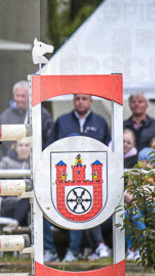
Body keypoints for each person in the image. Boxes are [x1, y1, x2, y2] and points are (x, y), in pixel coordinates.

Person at [44, 94, 112, 262]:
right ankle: (51, 251)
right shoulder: (61, 121)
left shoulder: (101, 122)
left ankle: (74, 252)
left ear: (91, 101)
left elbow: (108, 150)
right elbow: (49, 148)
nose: (80, 102)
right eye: (77, 98)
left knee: (80, 210)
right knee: (43, 205)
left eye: (84, 98)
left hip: (93, 178)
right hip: (64, 175)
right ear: (73, 100)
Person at [0, 80, 53, 158]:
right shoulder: (4, 117)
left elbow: (50, 139)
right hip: (11, 165)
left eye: (23, 96)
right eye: (17, 95)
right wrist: (3, 161)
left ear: (30, 96)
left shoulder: (41, 115)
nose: (20, 99)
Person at [0, 138, 33, 234]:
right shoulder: (7, 161)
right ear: (15, 148)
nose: (23, 149)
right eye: (20, 146)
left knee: (27, 199)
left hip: (28, 202)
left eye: (27, 145)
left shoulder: (34, 162)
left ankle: (14, 224)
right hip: (9, 201)